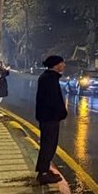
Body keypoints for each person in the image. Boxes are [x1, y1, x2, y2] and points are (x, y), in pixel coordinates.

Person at [35, 55, 69, 185]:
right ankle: (43, 173)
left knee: (49, 145)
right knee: (48, 145)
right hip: (49, 117)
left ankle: (45, 170)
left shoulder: (49, 78)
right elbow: (52, 100)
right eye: (62, 63)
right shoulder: (49, 79)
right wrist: (61, 112)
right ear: (56, 65)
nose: (64, 65)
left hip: (48, 117)